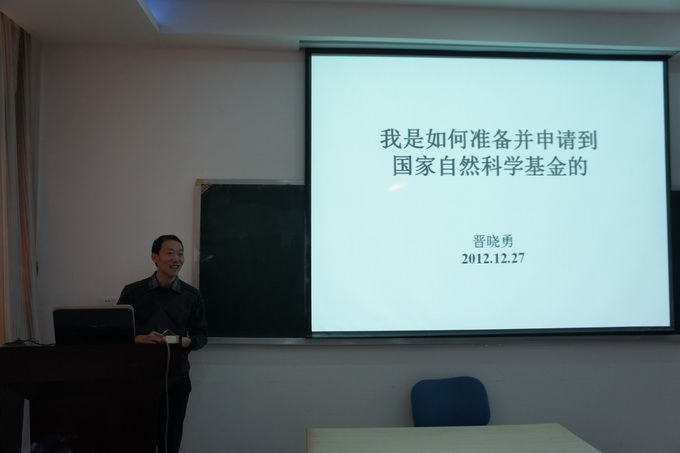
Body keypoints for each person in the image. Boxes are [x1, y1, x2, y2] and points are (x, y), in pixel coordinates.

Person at [117, 234, 208, 453]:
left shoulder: (191, 295)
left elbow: (202, 335)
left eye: (180, 254)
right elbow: (116, 333)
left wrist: (188, 342)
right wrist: (140, 339)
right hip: (139, 378)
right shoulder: (132, 292)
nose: (176, 259)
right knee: (138, 439)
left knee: (171, 440)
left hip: (176, 377)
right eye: (170, 253)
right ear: (154, 257)